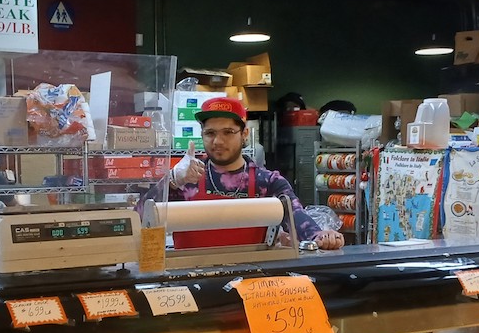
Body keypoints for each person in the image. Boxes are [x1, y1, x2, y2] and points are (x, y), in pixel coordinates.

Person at [139, 97, 345, 250]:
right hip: (191, 282)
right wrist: (171, 180)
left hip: (250, 283)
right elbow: (138, 218)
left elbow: (296, 217)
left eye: (228, 132)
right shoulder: (186, 179)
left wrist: (319, 236)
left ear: (244, 134)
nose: (218, 141)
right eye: (210, 133)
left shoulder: (268, 182)